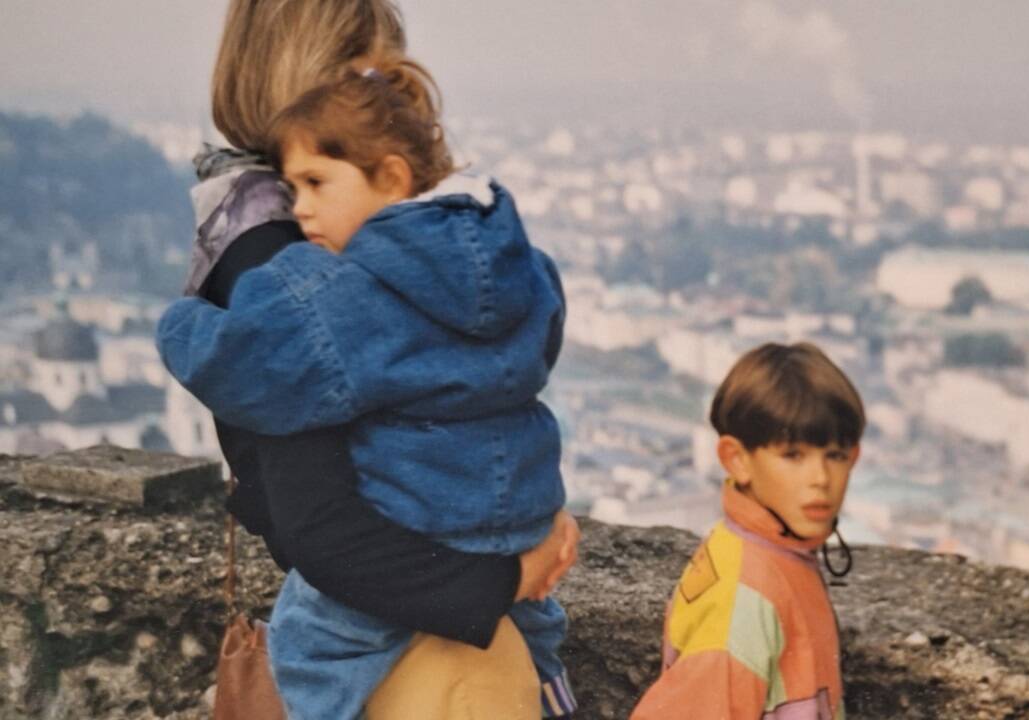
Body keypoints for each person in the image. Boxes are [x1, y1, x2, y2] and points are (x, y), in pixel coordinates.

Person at [158, 49, 576, 720]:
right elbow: (540, 347)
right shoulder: (521, 266)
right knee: (530, 658)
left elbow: (238, 361)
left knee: (309, 651)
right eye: (293, 190)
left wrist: (184, 319)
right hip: (517, 551)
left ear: (391, 176)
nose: (302, 210)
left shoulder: (350, 295)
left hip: (413, 573)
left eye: (317, 183)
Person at [630, 342, 864, 720]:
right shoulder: (742, 604)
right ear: (737, 460)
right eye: (793, 455)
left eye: (835, 456)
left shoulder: (768, 551)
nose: (821, 479)